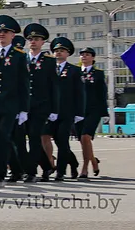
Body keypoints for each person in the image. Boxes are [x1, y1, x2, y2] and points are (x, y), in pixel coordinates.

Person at [0, 16, 30, 185]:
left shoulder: (19, 56)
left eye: (6, 32)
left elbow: (24, 84)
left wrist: (24, 109)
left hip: (11, 105)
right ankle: (17, 170)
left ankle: (0, 173)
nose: (2, 34)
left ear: (13, 35)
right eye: (0, 31)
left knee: (3, 137)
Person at [24, 23, 57, 181]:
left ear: (43, 42)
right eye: (31, 39)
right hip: (24, 106)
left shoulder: (49, 62)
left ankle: (30, 171)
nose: (33, 42)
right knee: (26, 138)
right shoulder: (22, 59)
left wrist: (54, 110)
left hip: (42, 106)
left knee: (34, 137)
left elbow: (54, 87)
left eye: (37, 39)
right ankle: (47, 166)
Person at [50, 37, 85, 181]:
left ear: (68, 53)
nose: (59, 53)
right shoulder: (48, 68)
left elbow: (80, 93)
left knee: (63, 141)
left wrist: (79, 112)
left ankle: (60, 171)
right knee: (57, 141)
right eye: (56, 51)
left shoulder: (74, 71)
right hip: (50, 112)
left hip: (67, 112)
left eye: (62, 51)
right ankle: (73, 162)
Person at [77, 47, 106, 177]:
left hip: (93, 110)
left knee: (85, 137)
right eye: (82, 54)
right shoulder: (75, 72)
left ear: (93, 58)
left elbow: (102, 93)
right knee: (83, 141)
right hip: (78, 110)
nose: (84, 56)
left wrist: (104, 113)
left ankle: (84, 167)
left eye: (87, 54)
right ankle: (93, 161)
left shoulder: (98, 74)